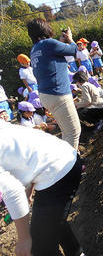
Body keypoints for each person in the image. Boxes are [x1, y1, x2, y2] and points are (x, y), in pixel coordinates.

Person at [0, 121, 84, 256]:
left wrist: (24, 239)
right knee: (51, 221)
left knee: (40, 246)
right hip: (61, 157)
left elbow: (13, 192)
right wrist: (28, 192)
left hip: (58, 170)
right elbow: (23, 156)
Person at [27, 18, 81, 150]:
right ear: (45, 29)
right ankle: (70, 168)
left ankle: (73, 162)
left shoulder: (35, 49)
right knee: (73, 132)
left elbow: (52, 55)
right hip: (58, 94)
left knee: (66, 130)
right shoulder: (49, 44)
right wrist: (70, 38)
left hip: (46, 95)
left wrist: (61, 43)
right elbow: (74, 50)